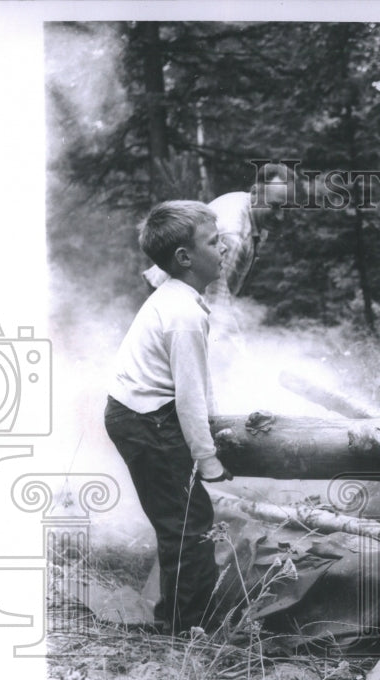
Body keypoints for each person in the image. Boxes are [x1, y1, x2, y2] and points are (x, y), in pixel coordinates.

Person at [106, 200, 234, 633]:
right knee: (188, 524)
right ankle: (187, 630)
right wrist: (208, 458)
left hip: (141, 414)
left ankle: (179, 619)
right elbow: (190, 397)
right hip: (147, 419)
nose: (225, 249)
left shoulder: (179, 299)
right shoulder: (182, 315)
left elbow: (195, 386)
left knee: (180, 518)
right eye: (215, 243)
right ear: (185, 257)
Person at [142, 163, 292, 354]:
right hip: (170, 295)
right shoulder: (235, 236)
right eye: (275, 206)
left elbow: (220, 294)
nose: (281, 216)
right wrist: (242, 355)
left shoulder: (250, 206)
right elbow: (215, 305)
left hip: (182, 292)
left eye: (286, 207)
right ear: (255, 193)